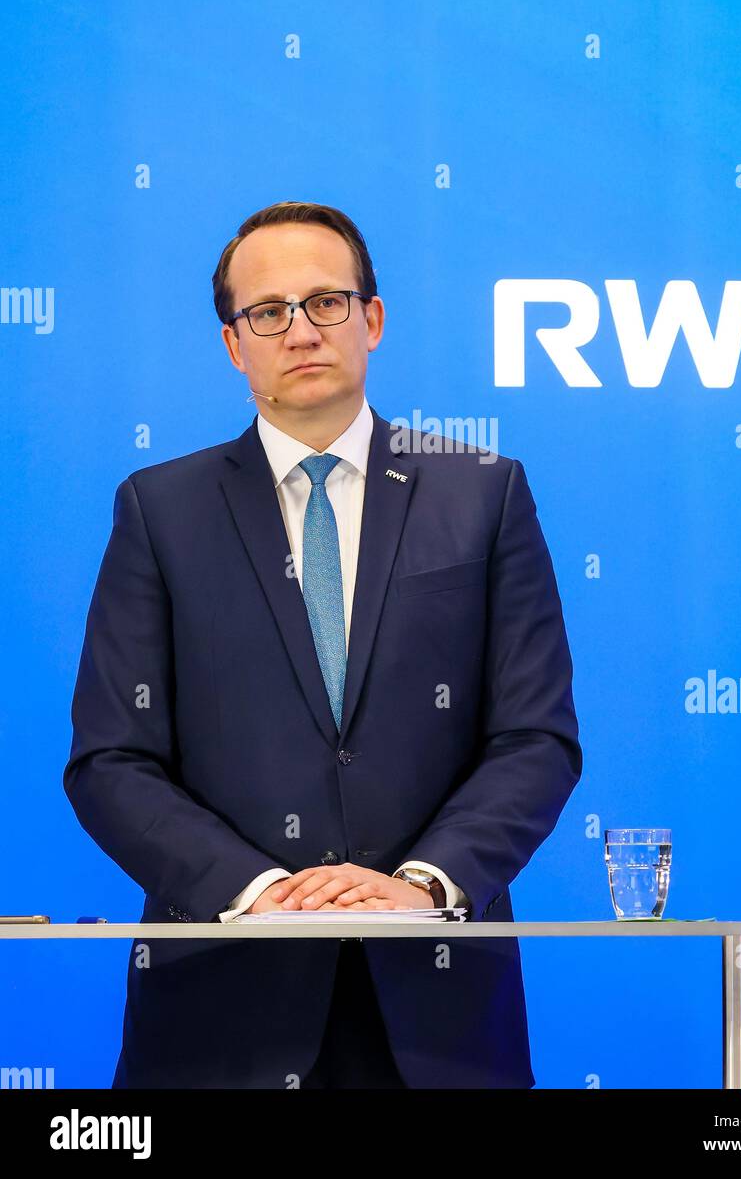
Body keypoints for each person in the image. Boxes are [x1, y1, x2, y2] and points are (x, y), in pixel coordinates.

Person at [63, 200, 582, 1088]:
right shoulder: (159, 511)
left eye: (326, 302)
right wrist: (262, 895)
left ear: (371, 319)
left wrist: (421, 887)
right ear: (234, 344)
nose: (299, 330)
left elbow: (535, 740)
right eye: (268, 312)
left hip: (438, 1023)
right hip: (219, 1019)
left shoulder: (485, 494)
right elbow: (111, 761)